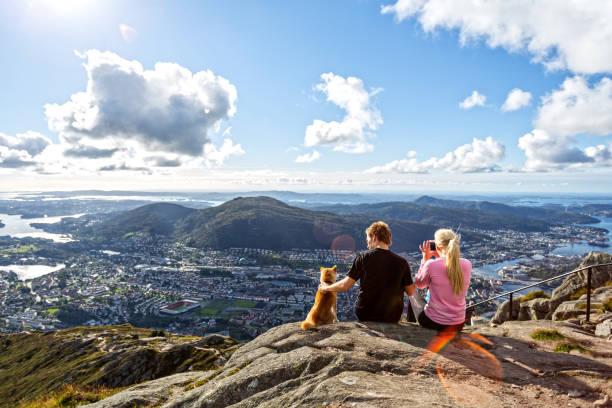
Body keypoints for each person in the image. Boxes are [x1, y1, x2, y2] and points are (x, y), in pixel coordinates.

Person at [319, 221, 414, 323]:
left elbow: (345, 285)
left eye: (367, 238)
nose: (366, 241)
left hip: (366, 313)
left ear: (374, 237)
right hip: (392, 316)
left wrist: (326, 287)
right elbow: (410, 291)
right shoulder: (402, 262)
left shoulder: (363, 257)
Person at [414, 228, 471, 332]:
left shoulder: (431, 265)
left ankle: (413, 330)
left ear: (437, 247)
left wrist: (424, 259)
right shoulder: (467, 264)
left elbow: (419, 284)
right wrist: (440, 257)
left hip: (434, 323)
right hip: (458, 324)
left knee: (412, 295)